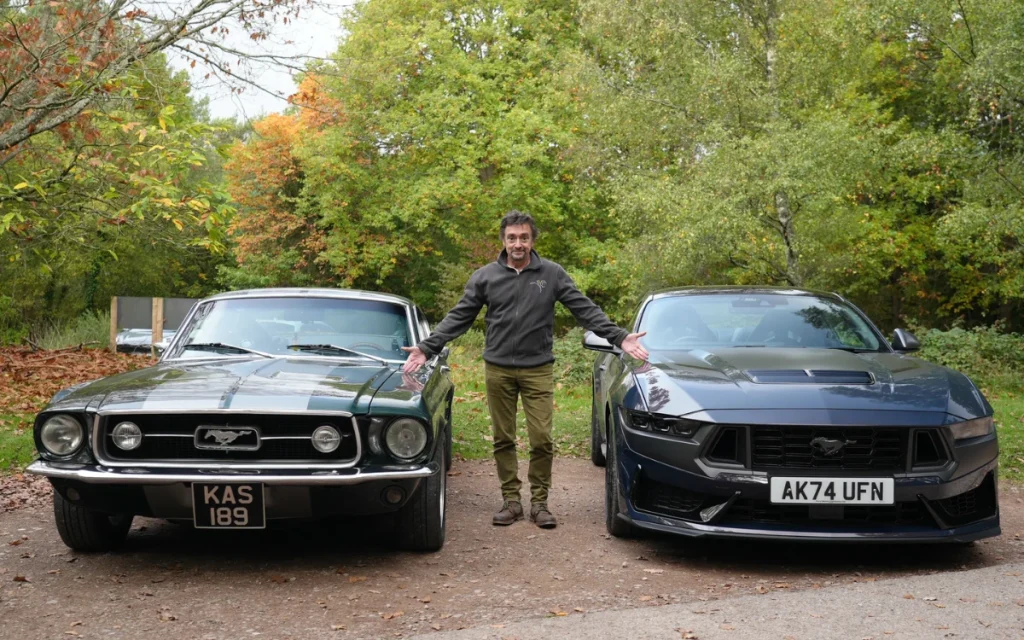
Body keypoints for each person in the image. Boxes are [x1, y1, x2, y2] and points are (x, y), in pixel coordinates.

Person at [402, 210, 648, 529]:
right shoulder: (485, 277)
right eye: (512, 238)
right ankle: (511, 502)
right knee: (503, 438)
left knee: (541, 439)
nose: (518, 243)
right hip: (498, 370)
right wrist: (427, 347)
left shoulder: (552, 274)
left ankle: (540, 503)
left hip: (538, 369)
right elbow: (459, 317)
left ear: (532, 240)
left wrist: (619, 337)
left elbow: (585, 310)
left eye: (524, 237)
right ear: (503, 240)